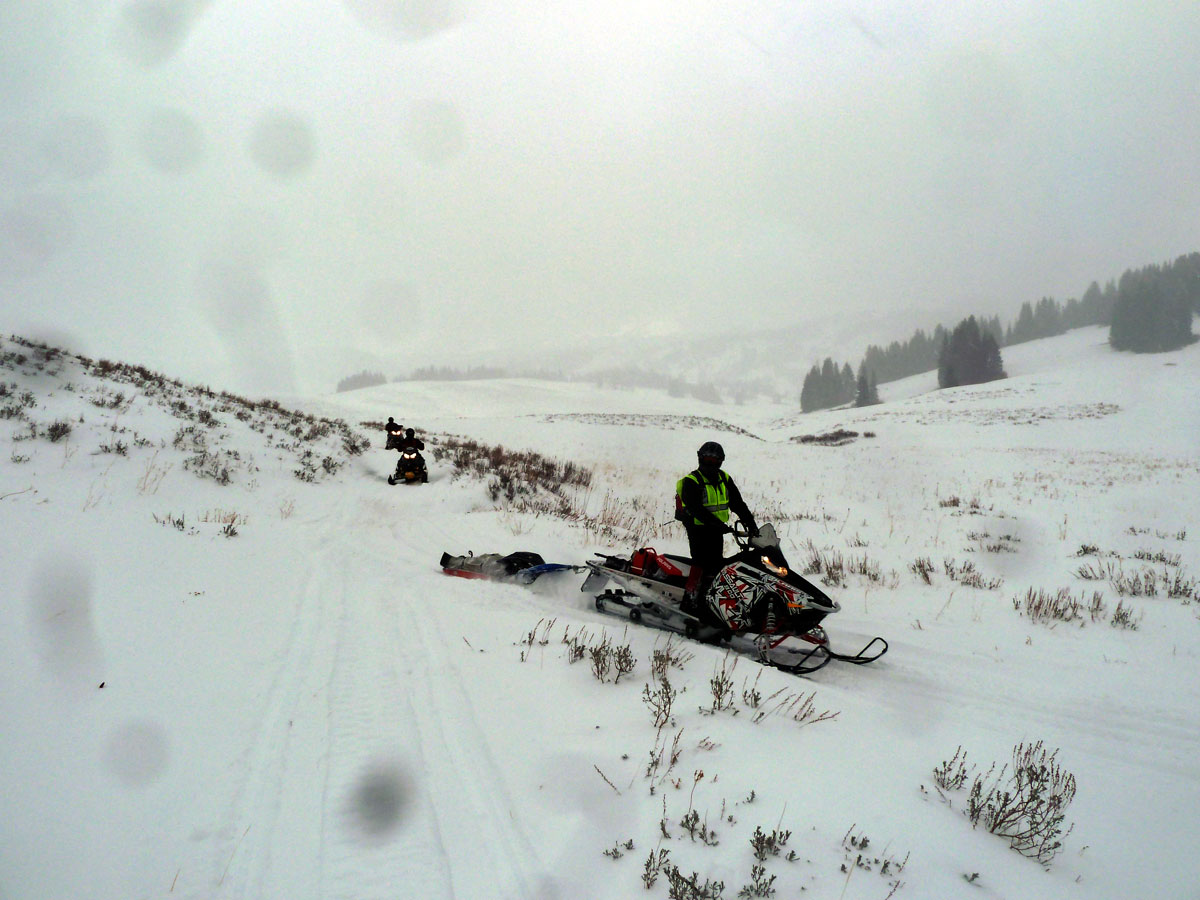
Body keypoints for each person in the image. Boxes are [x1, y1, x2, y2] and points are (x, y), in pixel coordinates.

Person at [676, 441, 758, 620]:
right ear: (700, 458)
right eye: (707, 459)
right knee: (701, 561)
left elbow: (738, 504)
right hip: (697, 528)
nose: (710, 464)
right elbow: (696, 508)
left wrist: (751, 525)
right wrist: (717, 525)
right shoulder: (692, 481)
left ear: (721, 461)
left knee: (718, 565)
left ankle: (714, 600)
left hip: (717, 530)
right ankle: (689, 600)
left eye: (715, 460)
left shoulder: (724, 479)